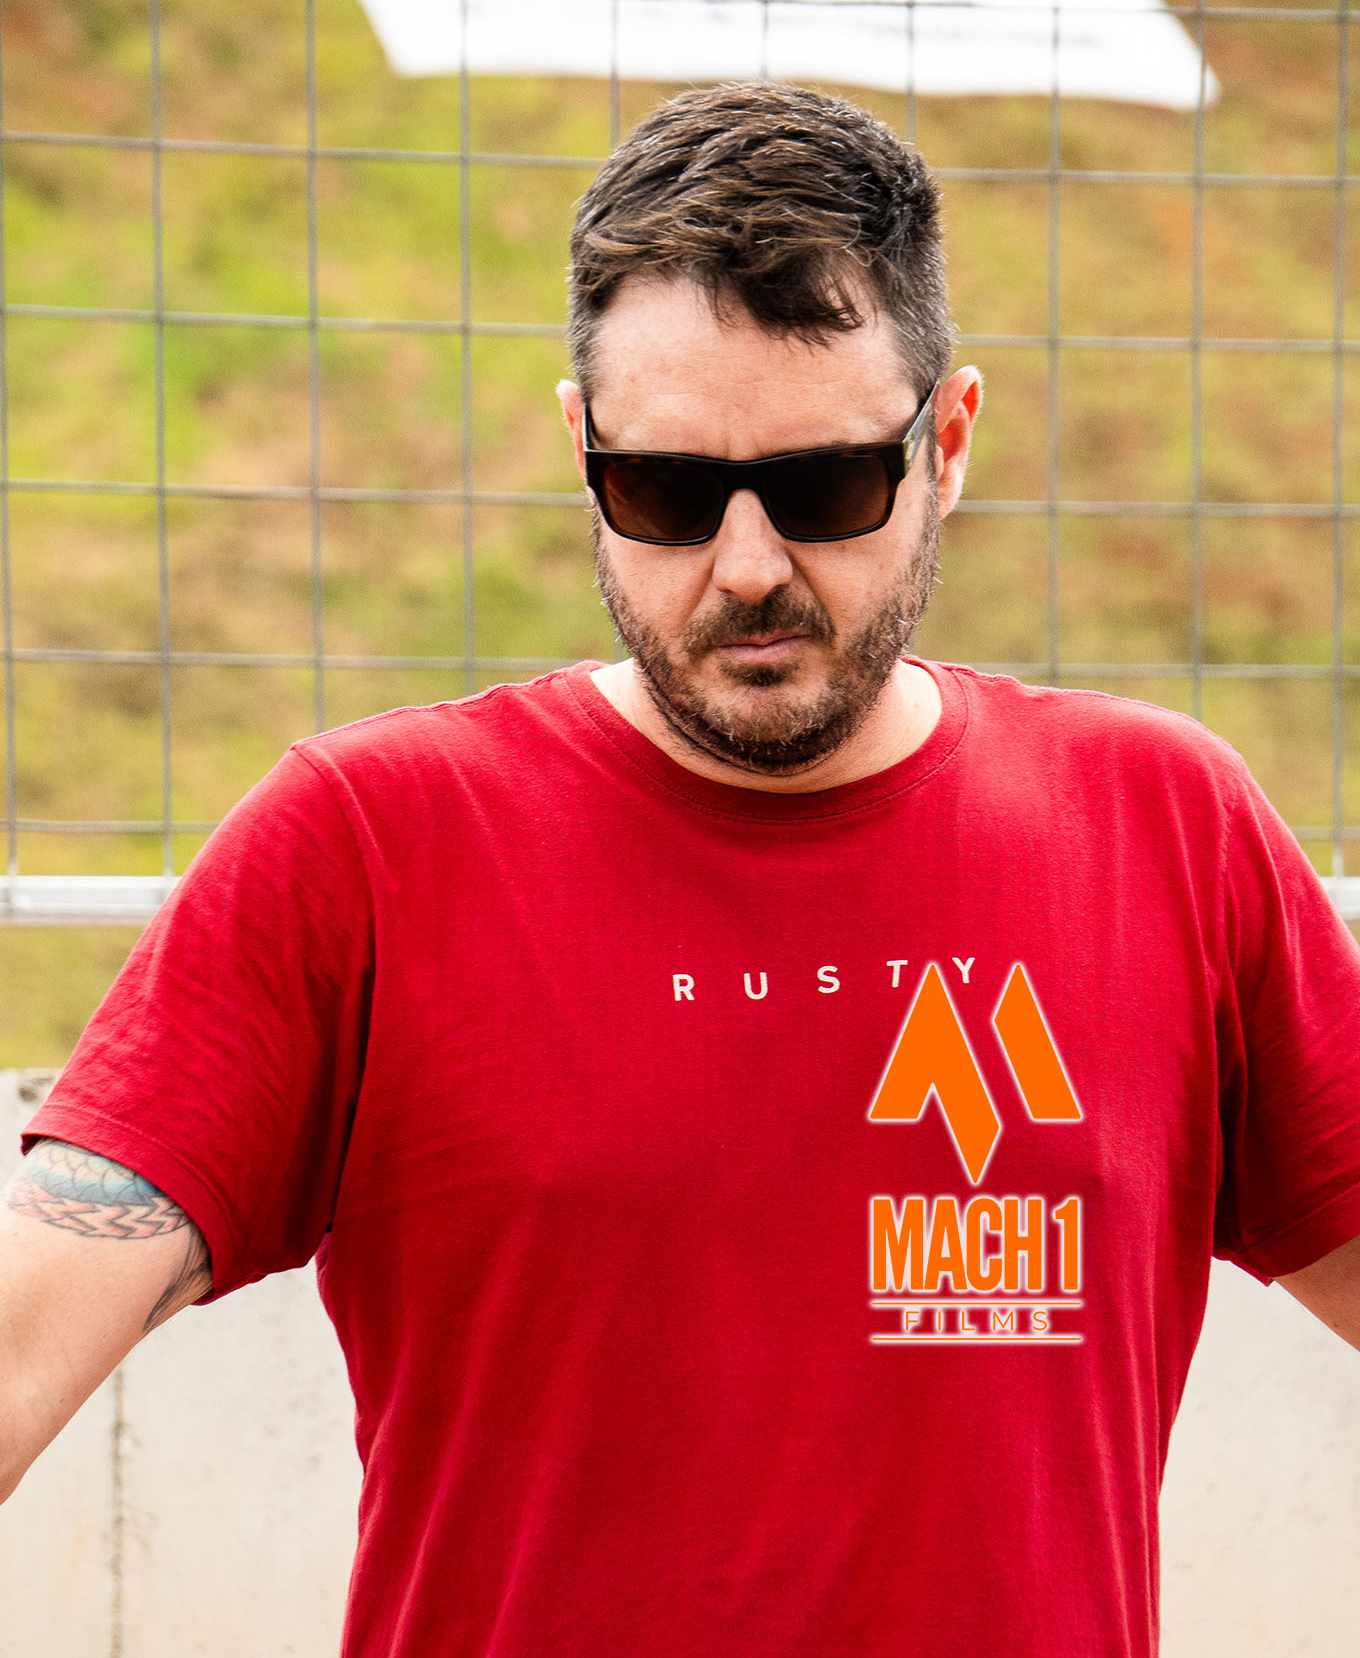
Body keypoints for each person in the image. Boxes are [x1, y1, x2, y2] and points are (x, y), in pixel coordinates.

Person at [2, 80, 1359, 1657]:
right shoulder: (365, 846)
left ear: (949, 443)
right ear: (583, 447)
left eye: (828, 485)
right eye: (663, 491)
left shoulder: (1165, 830)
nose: (749, 566)